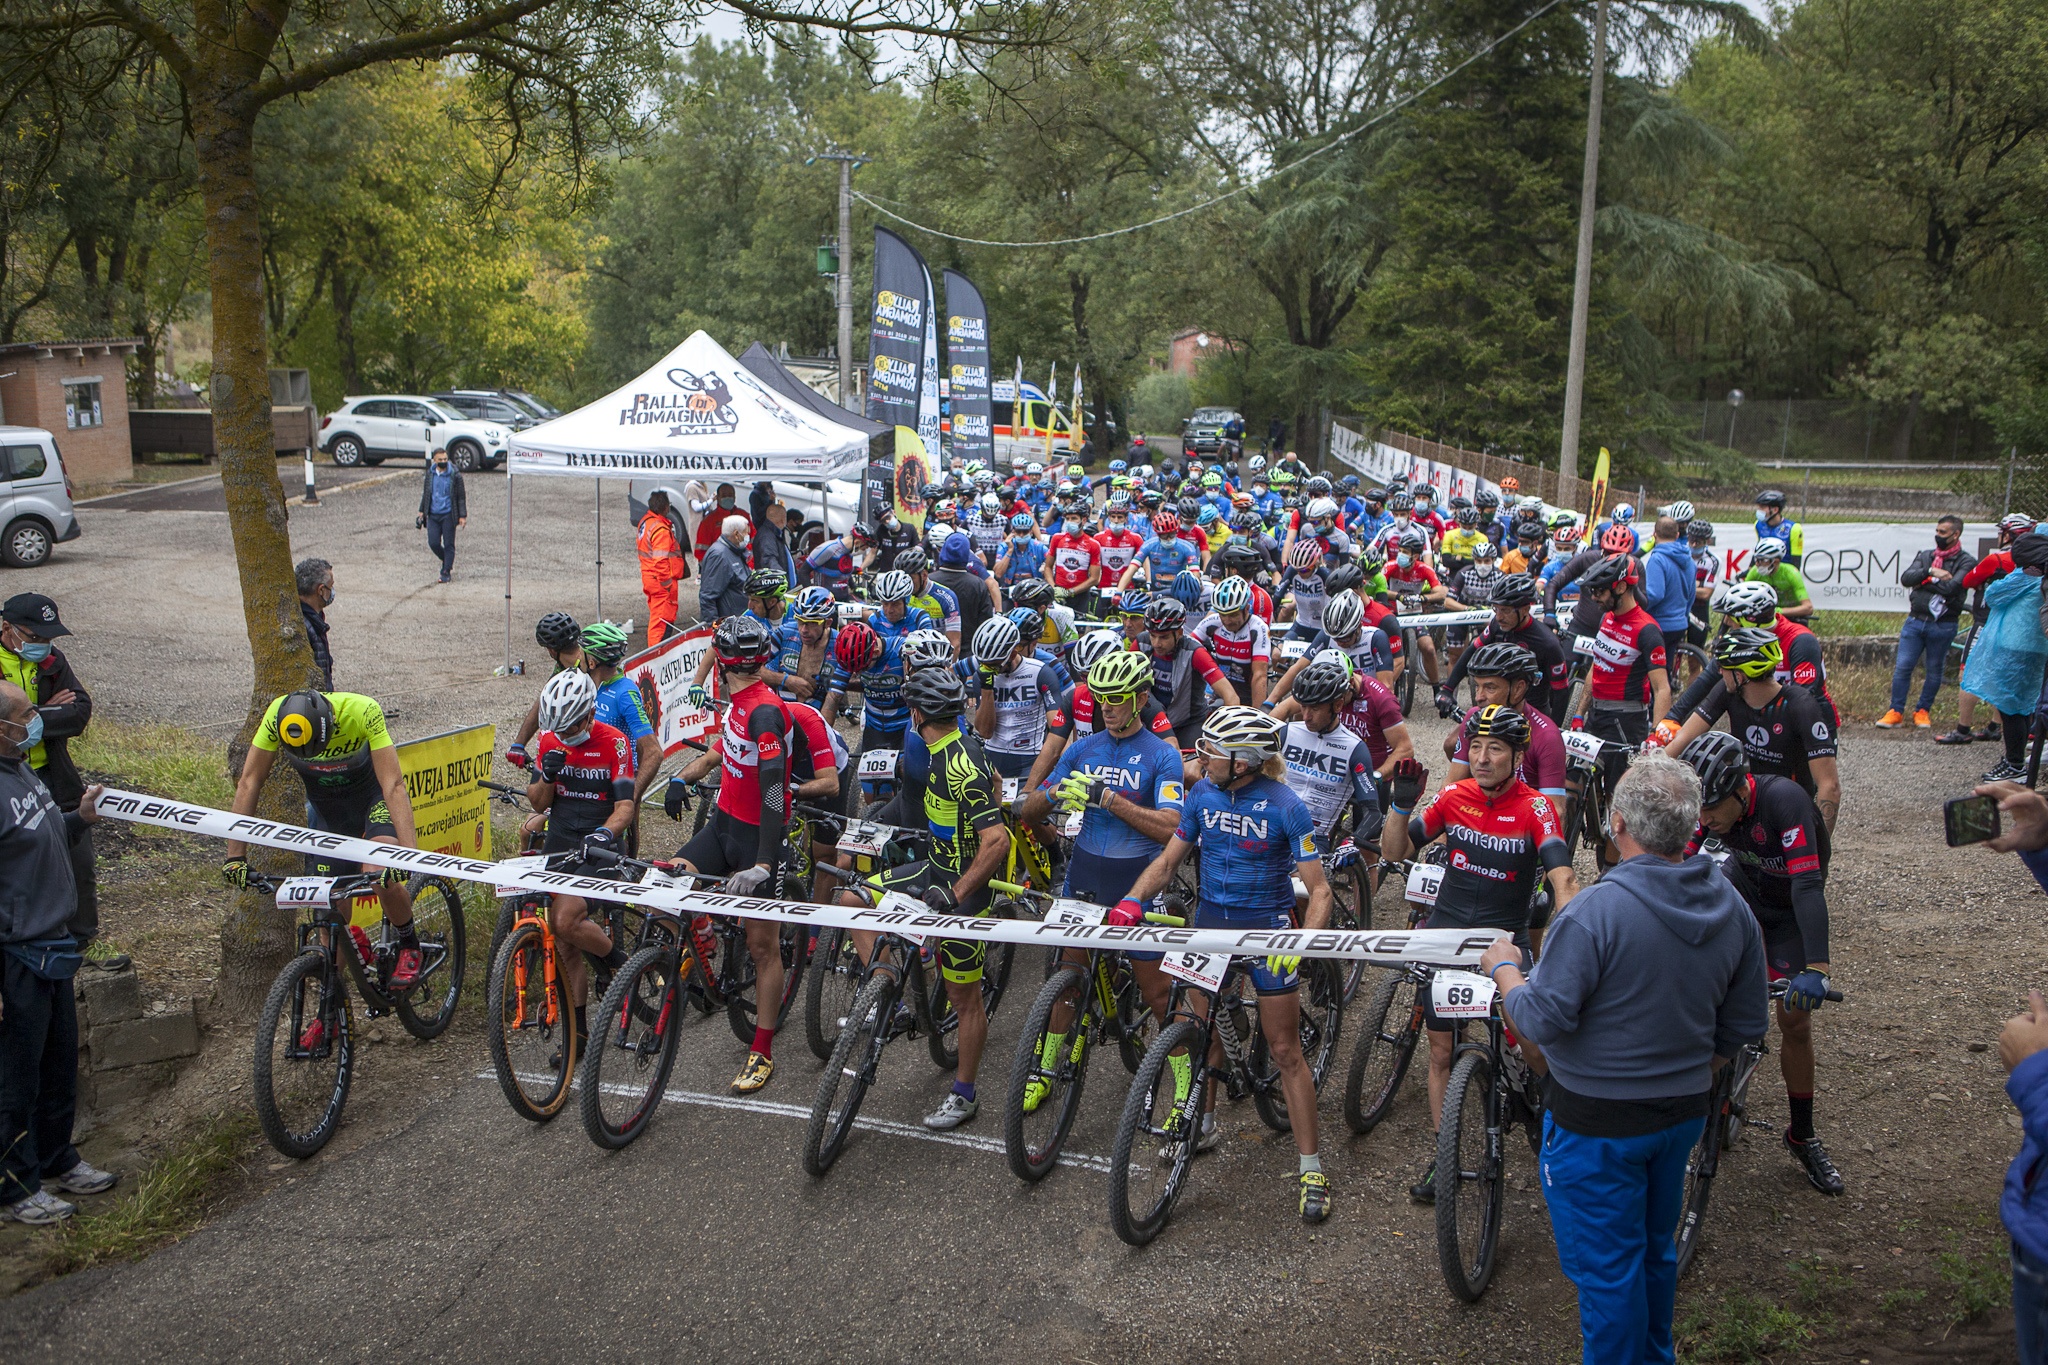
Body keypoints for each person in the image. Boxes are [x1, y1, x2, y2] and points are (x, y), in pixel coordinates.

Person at [1479, 753, 1767, 1365]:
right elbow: (1742, 1026)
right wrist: (1688, 1074)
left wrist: (1505, 968)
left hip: (1595, 1124)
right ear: (1691, 827)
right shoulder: (1732, 907)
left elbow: (1538, 1019)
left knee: (1607, 1276)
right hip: (1682, 1113)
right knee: (1654, 1251)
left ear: (1617, 825)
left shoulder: (1591, 914)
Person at [1118, 707, 1337, 1223]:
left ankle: (1311, 1169)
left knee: (1284, 1049)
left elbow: (1321, 890)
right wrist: (1132, 898)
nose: (1202, 756)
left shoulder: (1287, 806)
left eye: (1213, 750)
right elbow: (1170, 860)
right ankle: (1205, 1124)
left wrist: (1301, 946)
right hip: (1212, 922)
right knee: (1200, 1031)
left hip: (1267, 928)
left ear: (1244, 762)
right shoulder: (1202, 795)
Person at [1383, 706, 1577, 1204]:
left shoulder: (1535, 808)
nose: (1482, 758)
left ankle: (1551, 1114)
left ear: (1516, 756)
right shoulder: (1454, 795)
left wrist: (1574, 929)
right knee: (1443, 1051)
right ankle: (1442, 1154)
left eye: (1495, 749)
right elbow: (1394, 853)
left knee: (1532, 1043)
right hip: (1446, 935)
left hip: (1502, 942)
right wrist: (1400, 807)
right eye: (1476, 747)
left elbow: (1562, 877)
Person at [840, 667, 1011, 1131]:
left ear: (915, 713)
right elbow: (995, 782)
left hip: (963, 891)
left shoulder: (959, 764)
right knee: (851, 901)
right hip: (933, 868)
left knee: (965, 999)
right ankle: (888, 997)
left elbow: (997, 842)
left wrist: (955, 893)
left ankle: (965, 1094)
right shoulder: (945, 744)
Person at [1014, 649, 1186, 1110]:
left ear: (1141, 698)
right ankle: (1048, 1068)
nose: (1104, 706)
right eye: (1100, 697)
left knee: (1157, 993)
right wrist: (1050, 795)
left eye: (1116, 698)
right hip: (1085, 875)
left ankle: (1185, 1085)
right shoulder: (1081, 748)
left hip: (1136, 883)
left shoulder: (1162, 758)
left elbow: (1172, 827)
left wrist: (1112, 801)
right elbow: (1027, 810)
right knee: (1068, 979)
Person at [1681, 730, 1844, 1196]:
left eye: (1712, 808)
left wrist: (1817, 968)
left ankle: (1802, 1134)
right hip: (1745, 895)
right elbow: (1674, 865)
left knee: (1794, 1020)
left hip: (1790, 908)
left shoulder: (1784, 802)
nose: (1705, 818)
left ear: (1740, 788)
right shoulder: (1707, 809)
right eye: (1699, 809)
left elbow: (1808, 888)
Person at [662, 618, 811, 1092]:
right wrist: (682, 777)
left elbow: (772, 793)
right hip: (723, 825)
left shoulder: (765, 711)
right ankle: (704, 937)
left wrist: (765, 862)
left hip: (759, 837)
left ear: (722, 665)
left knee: (762, 946)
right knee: (664, 888)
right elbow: (722, 754)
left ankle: (762, 1051)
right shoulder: (738, 704)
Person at [0, 682, 117, 1224]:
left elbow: (42, 834)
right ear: (2, 727)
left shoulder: (22, 768)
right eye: (27, 715)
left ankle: (56, 1159)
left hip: (54, 948)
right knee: (15, 1078)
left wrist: (81, 819)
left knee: (57, 1064)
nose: (38, 720)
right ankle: (14, 1189)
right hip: (15, 960)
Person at [221, 691, 427, 989]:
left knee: (377, 874)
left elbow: (393, 784)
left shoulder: (362, 710)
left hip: (373, 802)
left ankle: (409, 944)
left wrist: (409, 854)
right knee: (330, 901)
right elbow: (249, 781)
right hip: (330, 813)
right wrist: (235, 857)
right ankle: (331, 1009)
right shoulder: (275, 715)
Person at [0, 594, 103, 952]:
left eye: (49, 638)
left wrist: (33, 717)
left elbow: (80, 712)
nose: (44, 646)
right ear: (7, 629)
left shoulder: (53, 661)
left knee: (79, 863)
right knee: (24, 864)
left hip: (54, 777)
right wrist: (49, 711)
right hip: (7, 781)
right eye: (35, 637)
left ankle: (81, 943)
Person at [1668, 628, 1841, 830]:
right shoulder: (1727, 691)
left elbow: (1830, 786)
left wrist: (1821, 846)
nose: (1719, 672)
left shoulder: (1801, 705)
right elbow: (1682, 739)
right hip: (1743, 806)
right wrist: (1642, 773)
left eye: (1723, 666)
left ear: (1740, 676)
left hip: (1789, 810)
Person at [1958, 531, 2048, 783]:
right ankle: (2015, 760)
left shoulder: (2027, 576)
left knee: (2011, 709)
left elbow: (1994, 594)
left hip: (2015, 650)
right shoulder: (2041, 577)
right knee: (2020, 708)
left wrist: (2016, 573)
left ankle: (2015, 764)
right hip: (2033, 649)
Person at [1941, 513, 2037, 745]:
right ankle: (1995, 726)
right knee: (2006, 676)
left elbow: (1968, 582)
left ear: (2010, 534)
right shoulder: (2038, 564)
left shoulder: (1998, 560)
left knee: (1968, 672)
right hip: (2018, 630)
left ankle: (1963, 728)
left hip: (1986, 624)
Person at [1881, 514, 1977, 729]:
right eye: (1937, 531)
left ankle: (1923, 710)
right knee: (1903, 667)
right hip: (1915, 621)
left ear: (1955, 534)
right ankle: (1895, 710)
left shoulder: (1966, 561)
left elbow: (1952, 589)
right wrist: (1931, 573)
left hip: (1943, 624)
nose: (1938, 536)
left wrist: (1923, 582)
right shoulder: (1926, 556)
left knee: (1934, 669)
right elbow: (1907, 578)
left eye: (1943, 532)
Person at [637, 489, 686, 647]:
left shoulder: (646, 522)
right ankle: (655, 657)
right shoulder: (660, 529)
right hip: (661, 582)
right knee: (660, 625)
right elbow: (660, 561)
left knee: (658, 620)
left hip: (651, 578)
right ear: (665, 507)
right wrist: (667, 585)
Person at [1638, 515, 1696, 648]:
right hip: (1680, 624)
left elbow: (1654, 595)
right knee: (1667, 665)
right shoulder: (1690, 560)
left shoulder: (1657, 559)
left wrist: (1640, 610)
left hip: (1658, 624)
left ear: (1654, 534)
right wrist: (1683, 616)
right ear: (1677, 535)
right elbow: (1691, 594)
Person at [936, 531, 999, 644]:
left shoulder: (930, 582)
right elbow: (985, 623)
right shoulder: (978, 585)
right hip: (970, 651)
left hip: (935, 649)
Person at [415, 445, 466, 583]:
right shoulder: (430, 474)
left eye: (445, 458)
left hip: (448, 514)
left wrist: (462, 516)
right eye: (440, 459)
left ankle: (445, 572)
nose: (443, 461)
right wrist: (422, 510)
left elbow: (461, 496)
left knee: (449, 543)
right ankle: (447, 559)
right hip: (433, 514)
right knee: (433, 543)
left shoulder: (455, 475)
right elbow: (426, 493)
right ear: (434, 460)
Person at [697, 514, 754, 625]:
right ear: (736, 534)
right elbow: (708, 597)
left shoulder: (735, 551)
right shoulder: (719, 556)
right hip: (729, 625)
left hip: (739, 622)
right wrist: (714, 628)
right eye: (746, 533)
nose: (747, 536)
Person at [1742, 539, 1812, 621]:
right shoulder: (1754, 571)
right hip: (1767, 617)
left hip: (1791, 618)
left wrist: (1778, 611)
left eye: (1761, 560)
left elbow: (1808, 608)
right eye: (1756, 559)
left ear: (1775, 561)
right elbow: (1743, 598)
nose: (1757, 564)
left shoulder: (1791, 573)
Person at [296, 558, 335, 689]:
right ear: (321, 590)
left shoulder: (315, 619)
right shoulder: (302, 626)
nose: (333, 591)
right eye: (331, 586)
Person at [693, 483, 750, 560]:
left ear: (734, 497)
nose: (727, 498)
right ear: (718, 498)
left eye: (730, 495)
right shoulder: (709, 521)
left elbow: (753, 541)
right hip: (719, 564)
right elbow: (701, 551)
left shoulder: (744, 516)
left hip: (743, 563)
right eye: (724, 495)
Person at [1754, 489, 1804, 568]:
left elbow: (1796, 564)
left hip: (1785, 573)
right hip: (1764, 571)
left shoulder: (1794, 529)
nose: (1759, 510)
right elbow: (1758, 552)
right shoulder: (1758, 525)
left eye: (1762, 507)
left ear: (1775, 510)